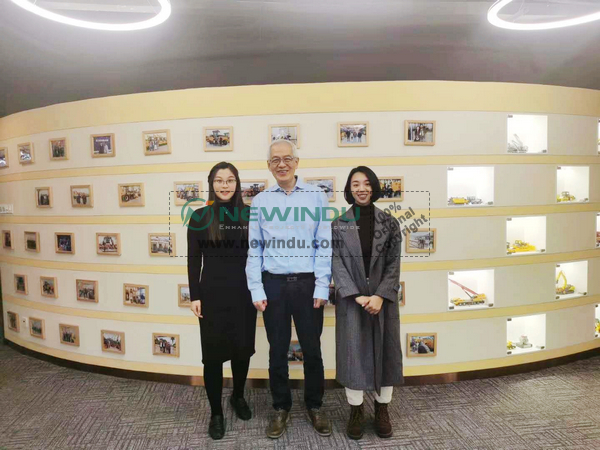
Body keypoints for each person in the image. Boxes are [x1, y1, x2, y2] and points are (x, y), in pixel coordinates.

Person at [246, 139, 332, 439]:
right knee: (277, 351)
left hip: (308, 285)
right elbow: (254, 249)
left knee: (313, 351)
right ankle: (281, 407)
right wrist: (256, 289)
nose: (281, 164)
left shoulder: (316, 196)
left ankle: (315, 405)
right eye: (275, 160)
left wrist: (322, 285)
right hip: (274, 285)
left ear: (296, 162)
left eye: (286, 159)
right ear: (269, 166)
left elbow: (324, 244)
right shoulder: (260, 202)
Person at [331, 166, 404, 440]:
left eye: (366, 183)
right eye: (355, 184)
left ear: (373, 187)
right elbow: (336, 263)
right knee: (353, 355)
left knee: (386, 353)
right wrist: (355, 295)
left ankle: (382, 410)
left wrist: (380, 295)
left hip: (382, 300)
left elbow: (394, 264)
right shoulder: (338, 224)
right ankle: (356, 411)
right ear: (349, 189)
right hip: (353, 301)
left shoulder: (390, 223)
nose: (361, 189)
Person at [187, 162, 257, 440]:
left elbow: (259, 257)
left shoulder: (249, 215)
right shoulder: (200, 216)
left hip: (244, 294)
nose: (224, 185)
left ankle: (238, 396)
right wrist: (195, 295)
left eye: (230, 180)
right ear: (211, 184)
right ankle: (216, 412)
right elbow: (194, 260)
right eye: (219, 180)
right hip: (212, 296)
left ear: (237, 183)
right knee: (213, 357)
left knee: (242, 351)